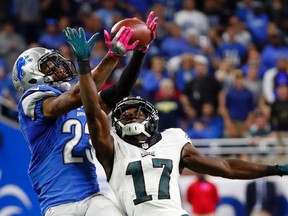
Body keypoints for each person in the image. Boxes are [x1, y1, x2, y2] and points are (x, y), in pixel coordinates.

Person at [74, 16, 288, 216]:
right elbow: (92, 110)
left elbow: (227, 167)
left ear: (150, 118)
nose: (131, 116)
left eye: (136, 113)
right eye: (126, 115)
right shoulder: (112, 146)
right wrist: (84, 66)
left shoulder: (173, 139)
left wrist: (276, 168)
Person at [11, 11, 158, 216]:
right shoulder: (32, 101)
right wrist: (112, 57)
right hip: (59, 203)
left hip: (92, 197)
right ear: (31, 77)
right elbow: (75, 97)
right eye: (48, 66)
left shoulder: (80, 103)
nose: (59, 68)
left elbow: (119, 92)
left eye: (55, 62)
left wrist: (140, 52)